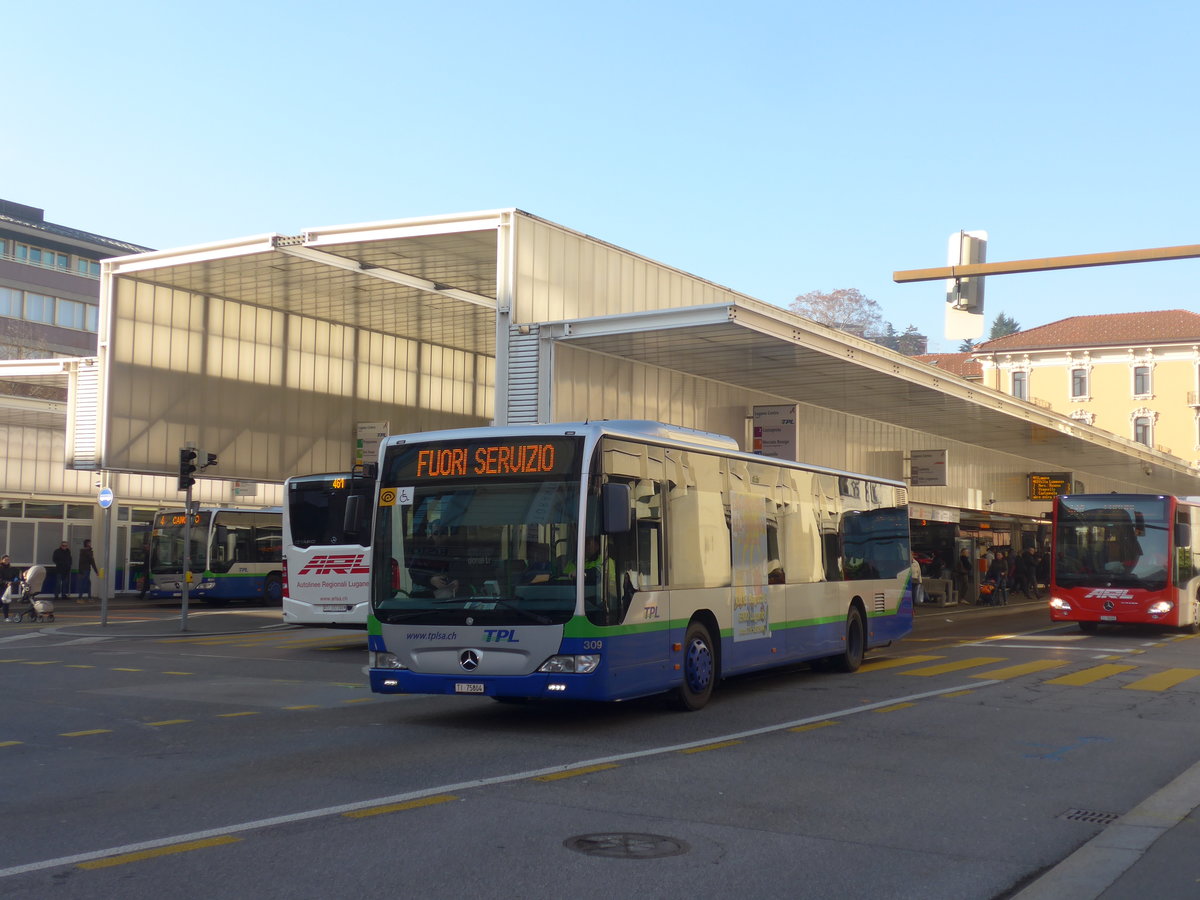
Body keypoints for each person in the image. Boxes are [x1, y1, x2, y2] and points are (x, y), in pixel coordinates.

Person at [77, 539, 99, 603]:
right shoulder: (88, 552)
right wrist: (96, 571)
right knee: (84, 584)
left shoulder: (83, 551)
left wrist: (80, 570)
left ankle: (89, 597)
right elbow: (92, 562)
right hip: (86, 570)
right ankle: (80, 598)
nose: (90, 544)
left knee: (87, 583)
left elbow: (80, 562)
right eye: (89, 543)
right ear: (87, 544)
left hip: (83, 570)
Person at [0, 554, 19, 622]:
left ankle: (6, 617)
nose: (7, 561)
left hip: (8, 588)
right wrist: (6, 582)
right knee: (2, 602)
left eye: (8, 559)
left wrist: (16, 580)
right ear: (2, 560)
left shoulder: (11, 568)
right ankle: (6, 617)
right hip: (1, 587)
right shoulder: (1, 568)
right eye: (5, 559)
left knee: (6, 602)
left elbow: (14, 576)